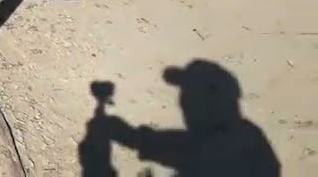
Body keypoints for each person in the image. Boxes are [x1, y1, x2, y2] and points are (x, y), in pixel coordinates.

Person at [100, 60, 279, 176]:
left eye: (191, 97)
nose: (184, 104)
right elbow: (182, 144)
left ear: (214, 103)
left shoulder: (236, 143)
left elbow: (188, 150)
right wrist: (132, 137)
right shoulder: (239, 135)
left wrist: (132, 137)